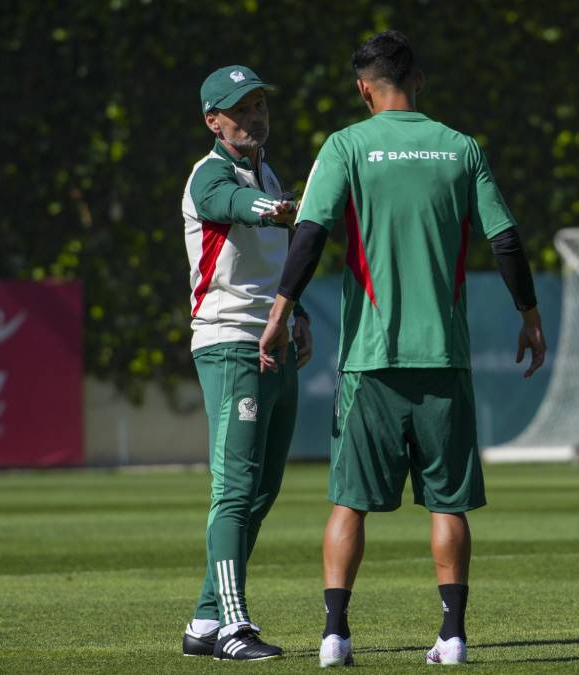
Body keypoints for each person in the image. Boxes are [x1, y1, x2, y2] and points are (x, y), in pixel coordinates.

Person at [259, 31, 547, 667]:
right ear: (418, 81)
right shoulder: (461, 148)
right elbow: (505, 240)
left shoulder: (345, 146)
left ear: (364, 89)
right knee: (449, 503)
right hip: (444, 359)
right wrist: (529, 315)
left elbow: (309, 235)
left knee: (349, 503)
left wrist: (279, 313)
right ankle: (453, 636)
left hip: (370, 361)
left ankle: (335, 636)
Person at [180, 64, 312, 662]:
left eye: (259, 105)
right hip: (230, 341)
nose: (254, 117)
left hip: (272, 340)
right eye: (240, 109)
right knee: (235, 488)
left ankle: (206, 620)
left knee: (262, 489)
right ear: (214, 121)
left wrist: (297, 313)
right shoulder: (209, 174)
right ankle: (234, 627)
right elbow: (233, 204)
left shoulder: (268, 171)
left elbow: (275, 260)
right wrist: (276, 208)